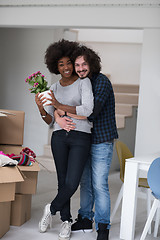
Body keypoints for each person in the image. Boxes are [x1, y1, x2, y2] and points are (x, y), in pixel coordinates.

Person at [55, 45, 118, 240]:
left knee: (99, 184)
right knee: (85, 183)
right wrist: (57, 116)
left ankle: (103, 226)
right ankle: (84, 218)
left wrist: (61, 110)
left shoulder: (101, 82)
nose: (80, 68)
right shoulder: (82, 83)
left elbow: (91, 111)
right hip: (84, 139)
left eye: (84, 64)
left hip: (101, 141)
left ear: (91, 64)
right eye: (77, 65)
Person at [35, 39, 94, 240]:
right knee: (62, 182)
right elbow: (50, 120)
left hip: (81, 137)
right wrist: (42, 108)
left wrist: (60, 105)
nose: (67, 67)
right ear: (55, 67)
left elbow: (87, 110)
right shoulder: (53, 87)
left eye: (69, 62)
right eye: (61, 64)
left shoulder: (83, 83)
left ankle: (50, 209)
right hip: (59, 137)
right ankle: (66, 221)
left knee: (72, 182)